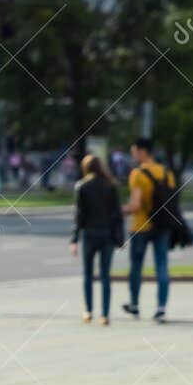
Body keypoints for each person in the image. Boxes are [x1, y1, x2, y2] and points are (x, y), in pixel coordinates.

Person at [122, 137, 176, 322]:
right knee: (162, 266)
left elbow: (135, 205)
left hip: (141, 226)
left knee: (136, 267)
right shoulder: (167, 172)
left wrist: (119, 210)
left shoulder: (137, 174)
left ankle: (134, 305)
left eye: (133, 151)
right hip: (163, 225)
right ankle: (161, 308)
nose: (133, 155)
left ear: (141, 151)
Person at [71, 154, 122, 325]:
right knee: (105, 275)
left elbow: (79, 215)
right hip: (107, 234)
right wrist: (119, 237)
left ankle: (88, 311)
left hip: (90, 234)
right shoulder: (111, 186)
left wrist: (74, 239)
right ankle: (105, 314)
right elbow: (117, 214)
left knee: (88, 274)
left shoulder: (82, 186)